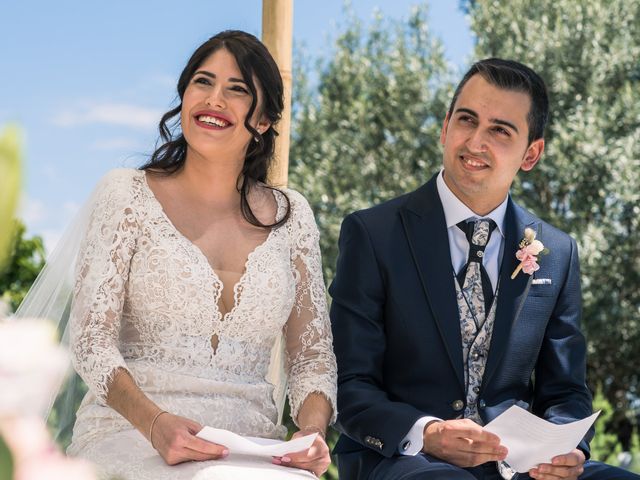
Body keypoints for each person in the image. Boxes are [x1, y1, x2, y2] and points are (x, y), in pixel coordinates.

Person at [36, 30, 336, 480]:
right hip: (130, 433)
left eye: (237, 89)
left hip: (254, 449)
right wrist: (156, 425)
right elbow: (91, 342)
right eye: (203, 81)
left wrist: (309, 432)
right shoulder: (126, 194)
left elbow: (312, 358)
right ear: (184, 96)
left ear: (264, 120)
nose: (214, 99)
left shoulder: (294, 217)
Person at [329, 58, 638, 480]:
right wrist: (427, 432)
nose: (475, 142)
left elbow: (564, 390)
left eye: (499, 130)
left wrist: (567, 449)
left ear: (531, 153)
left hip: (519, 469)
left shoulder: (557, 252)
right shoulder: (372, 233)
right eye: (466, 120)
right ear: (444, 127)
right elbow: (350, 385)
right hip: (404, 461)